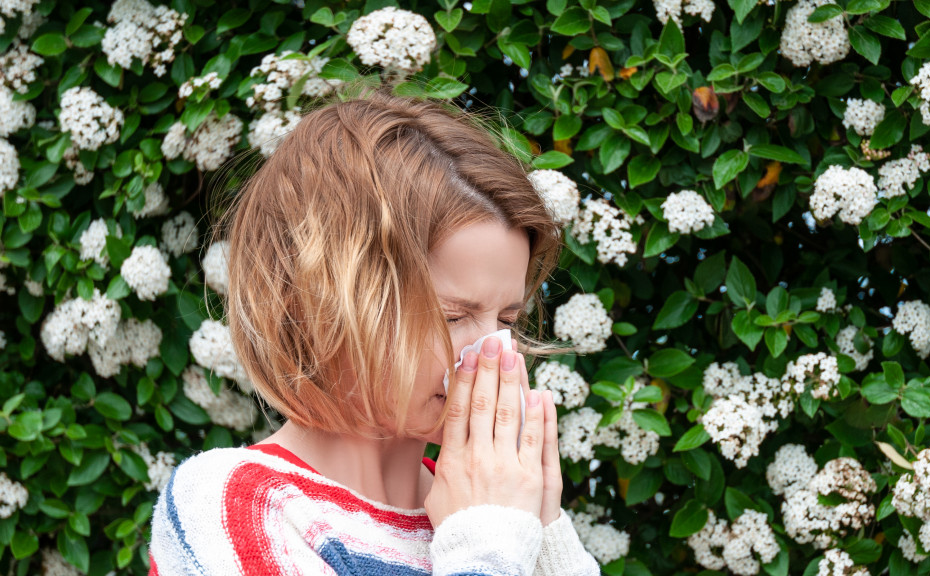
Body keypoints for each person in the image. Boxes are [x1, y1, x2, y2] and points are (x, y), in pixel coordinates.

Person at [147, 84, 602, 575]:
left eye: (508, 320)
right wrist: (489, 542)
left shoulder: (487, 510)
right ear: (321, 305)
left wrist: (542, 530)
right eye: (451, 317)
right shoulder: (235, 503)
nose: (495, 353)